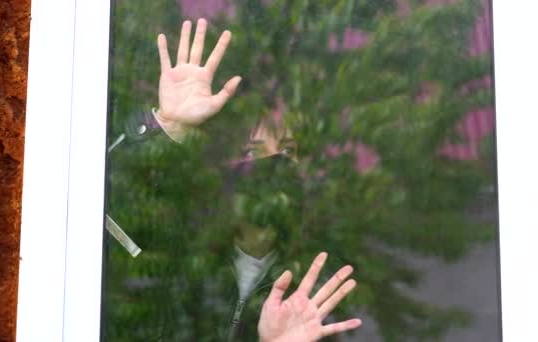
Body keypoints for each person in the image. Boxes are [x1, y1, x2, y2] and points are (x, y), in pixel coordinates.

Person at [109, 18, 361, 341]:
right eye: (255, 153)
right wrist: (168, 125)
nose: (270, 169)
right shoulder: (179, 243)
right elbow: (96, 220)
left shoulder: (316, 291)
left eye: (286, 152)